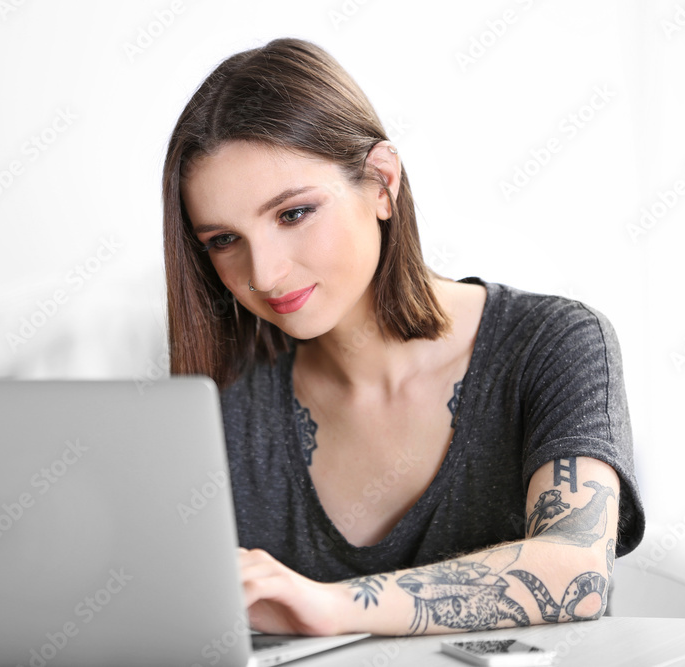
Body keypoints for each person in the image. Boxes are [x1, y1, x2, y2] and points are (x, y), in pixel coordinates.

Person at [162, 37, 645, 637]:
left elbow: (577, 569)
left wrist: (329, 607)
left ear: (382, 183)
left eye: (292, 214)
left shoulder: (553, 345)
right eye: (223, 241)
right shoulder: (222, 395)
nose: (263, 274)